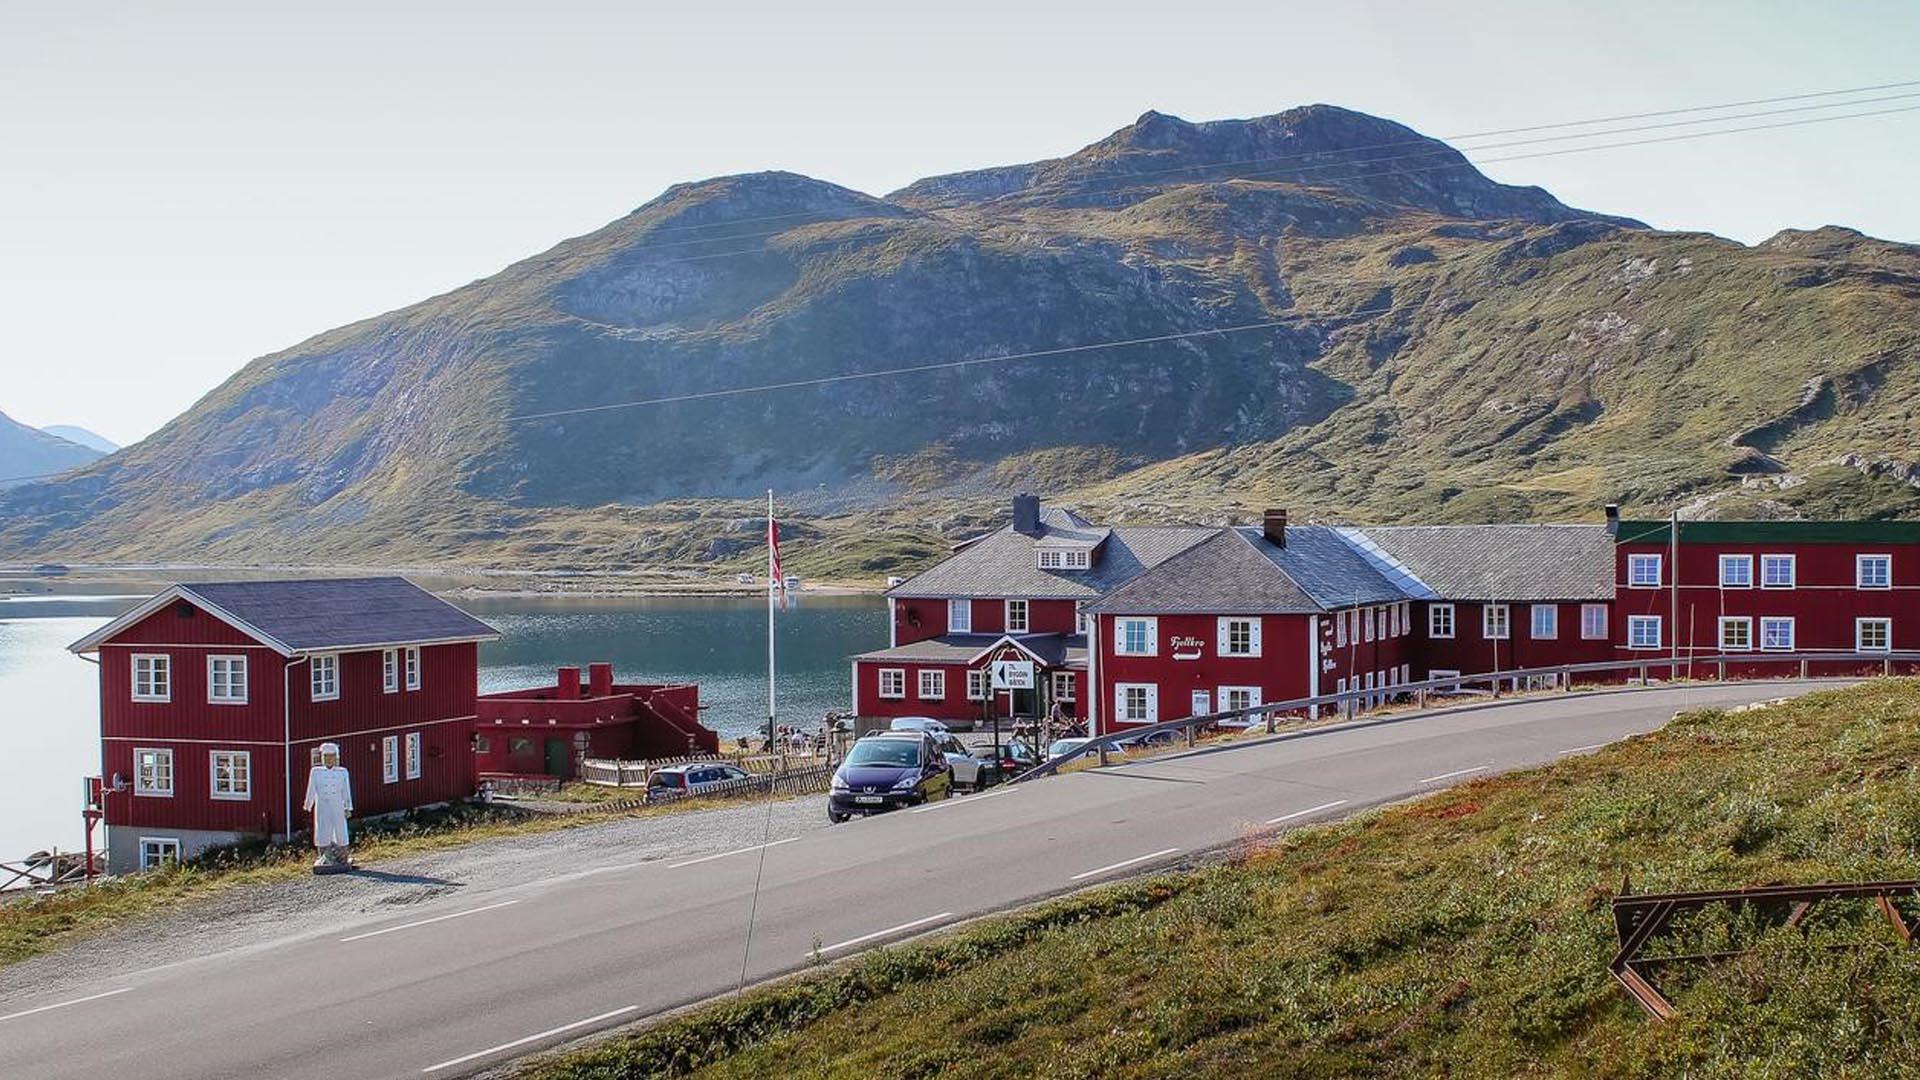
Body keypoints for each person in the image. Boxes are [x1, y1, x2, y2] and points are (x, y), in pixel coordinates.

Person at [303, 742, 354, 873]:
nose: (329, 760)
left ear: (336, 758)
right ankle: (324, 856)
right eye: (326, 757)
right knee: (323, 827)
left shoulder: (342, 772)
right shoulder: (316, 772)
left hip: (337, 803)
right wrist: (308, 804)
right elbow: (311, 789)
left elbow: (346, 791)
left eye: (331, 757)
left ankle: (341, 854)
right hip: (322, 804)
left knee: (339, 826)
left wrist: (348, 807)